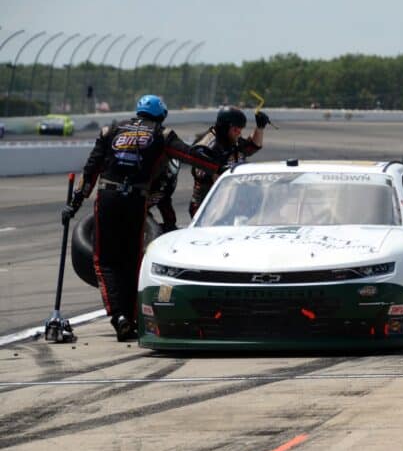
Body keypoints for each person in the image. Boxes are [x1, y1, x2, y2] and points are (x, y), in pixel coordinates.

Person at [62, 95, 222, 341]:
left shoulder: (110, 130)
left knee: (104, 261)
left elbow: (90, 170)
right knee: (132, 258)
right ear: (161, 114)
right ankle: (131, 316)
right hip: (136, 200)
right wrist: (221, 167)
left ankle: (118, 316)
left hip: (108, 197)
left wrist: (74, 204)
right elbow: (191, 156)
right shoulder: (162, 133)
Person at [188, 106, 270, 217]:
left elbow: (252, 147)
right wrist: (222, 170)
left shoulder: (231, 139)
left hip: (231, 204)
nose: (239, 133)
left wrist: (259, 127)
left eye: (241, 129)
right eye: (236, 129)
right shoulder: (207, 147)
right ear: (225, 127)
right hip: (206, 208)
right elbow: (209, 177)